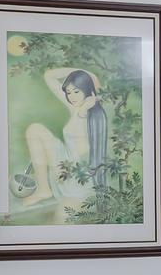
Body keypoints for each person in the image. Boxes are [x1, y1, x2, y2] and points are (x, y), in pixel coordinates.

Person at [21, 68, 108, 212]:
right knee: (34, 129)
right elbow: (49, 76)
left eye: (76, 92)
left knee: (39, 133)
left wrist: (82, 111)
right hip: (65, 158)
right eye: (68, 92)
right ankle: (44, 189)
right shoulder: (75, 105)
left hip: (74, 175)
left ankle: (45, 190)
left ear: (87, 90)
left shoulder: (95, 114)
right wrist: (84, 71)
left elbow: (82, 152)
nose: (71, 97)